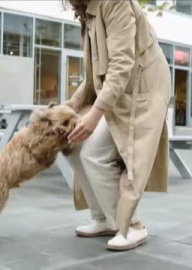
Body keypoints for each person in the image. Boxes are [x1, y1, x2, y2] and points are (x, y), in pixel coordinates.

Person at [63, 0, 171, 251]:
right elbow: (98, 70)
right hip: (120, 89)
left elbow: (122, 63)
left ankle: (131, 226)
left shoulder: (116, 2)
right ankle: (103, 219)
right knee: (75, 147)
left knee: (94, 153)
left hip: (143, 90)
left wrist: (95, 114)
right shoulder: (88, 11)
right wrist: (76, 101)